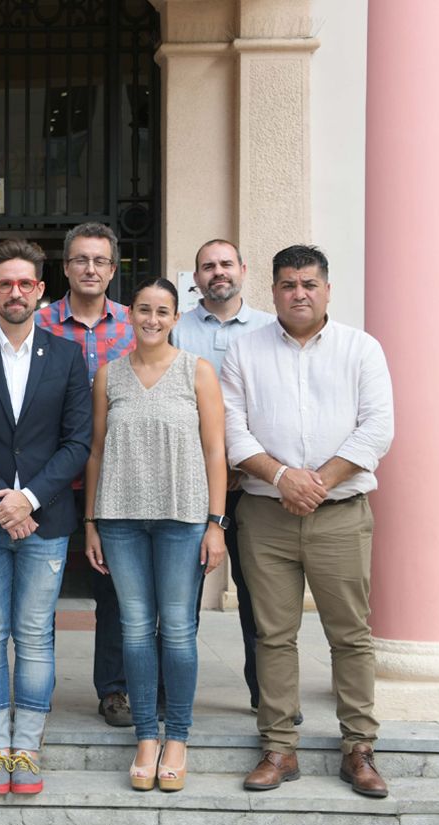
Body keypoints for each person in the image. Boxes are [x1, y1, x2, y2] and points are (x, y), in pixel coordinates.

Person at [222, 245, 394, 798]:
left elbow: (376, 430)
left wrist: (314, 481)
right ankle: (278, 747)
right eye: (289, 284)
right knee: (273, 635)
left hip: (340, 515)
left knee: (350, 635)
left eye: (309, 284)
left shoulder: (361, 349)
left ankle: (359, 748)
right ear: (271, 291)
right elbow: (232, 430)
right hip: (265, 515)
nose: (299, 293)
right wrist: (281, 478)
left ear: (327, 289)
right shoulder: (243, 351)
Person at [0, 239, 92, 796]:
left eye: (25, 283)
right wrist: (0, 500)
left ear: (41, 290)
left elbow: (77, 442)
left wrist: (28, 501)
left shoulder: (68, 356)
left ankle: (25, 747)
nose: (15, 292)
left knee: (33, 637)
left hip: (44, 522)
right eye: (5, 283)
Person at [83, 277, 228, 793]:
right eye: (142, 309)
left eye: (162, 311)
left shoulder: (198, 371)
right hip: (120, 518)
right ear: (130, 315)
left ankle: (178, 738)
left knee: (179, 631)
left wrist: (216, 523)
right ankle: (147, 737)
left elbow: (215, 451)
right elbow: (96, 451)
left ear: (175, 317)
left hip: (182, 518)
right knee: (135, 630)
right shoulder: (109, 376)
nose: (151, 319)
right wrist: (91, 522)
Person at [170, 239, 280, 719]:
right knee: (181, 600)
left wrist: (247, 464)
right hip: (190, 485)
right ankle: (173, 696)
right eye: (208, 266)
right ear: (195, 277)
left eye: (226, 264)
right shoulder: (176, 331)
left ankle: (268, 695)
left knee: (260, 598)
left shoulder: (270, 329)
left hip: (254, 487)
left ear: (243, 269)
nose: (218, 272)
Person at [34, 221, 135, 728]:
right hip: (50, 476)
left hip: (115, 477)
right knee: (41, 589)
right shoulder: (40, 323)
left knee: (111, 588)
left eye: (99, 260)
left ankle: (114, 689)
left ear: (113, 269)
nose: (90, 268)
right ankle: (39, 688)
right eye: (80, 259)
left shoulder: (137, 325)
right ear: (66, 267)